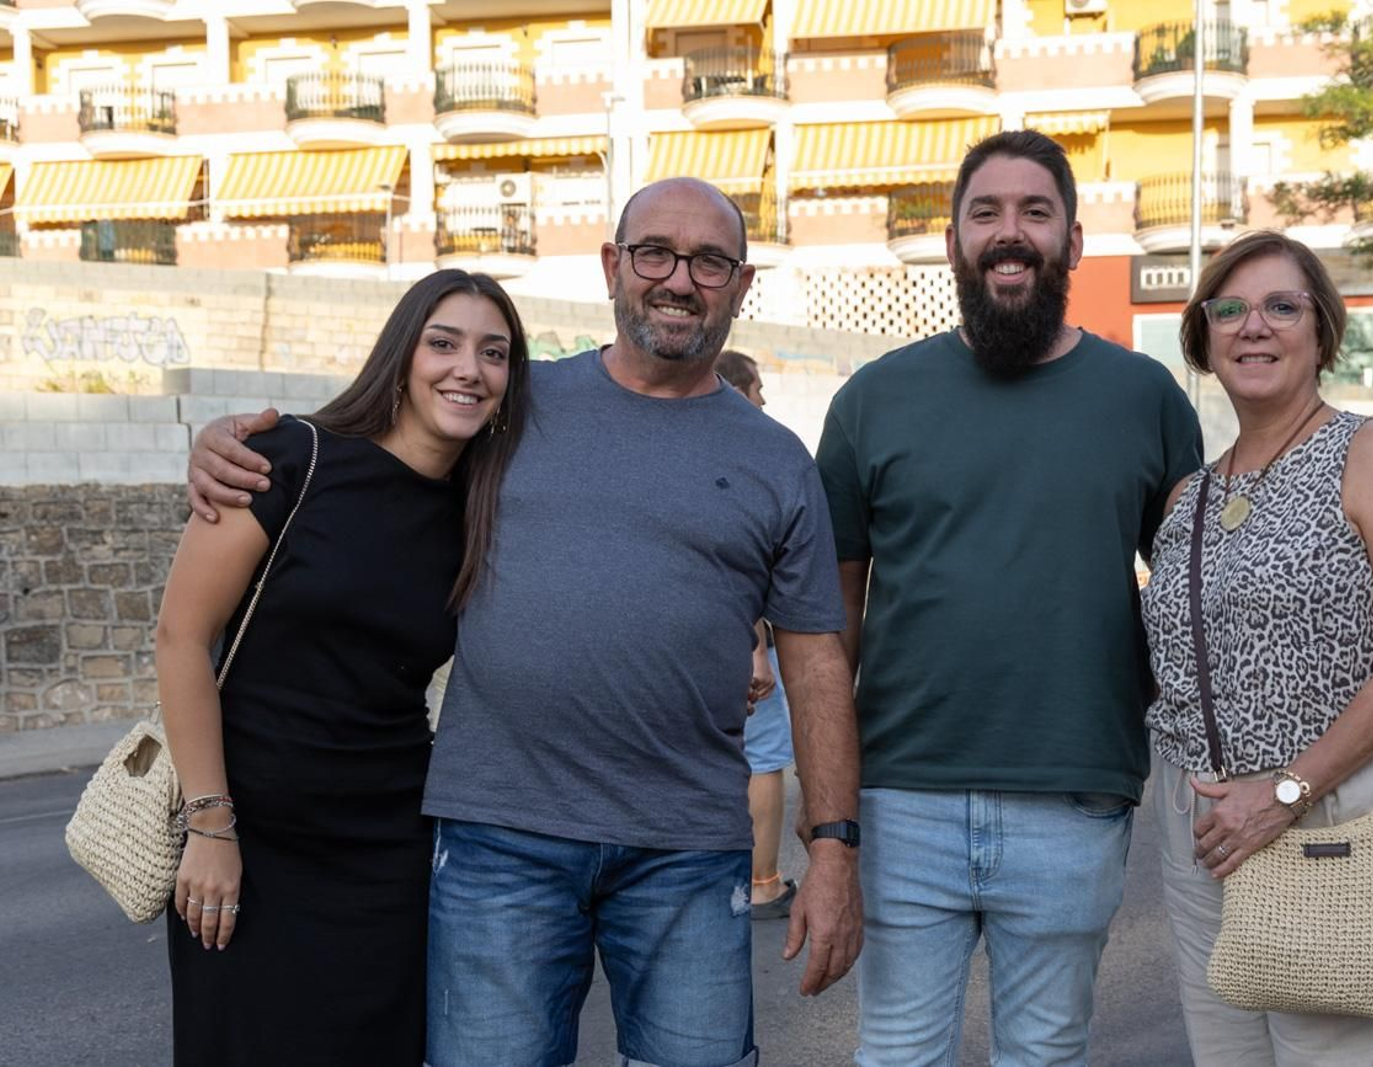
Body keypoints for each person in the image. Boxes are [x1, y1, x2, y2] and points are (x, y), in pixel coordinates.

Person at [186, 177, 863, 1067]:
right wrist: (233, 446)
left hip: (687, 847)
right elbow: (374, 457)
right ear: (612, 267)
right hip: (498, 840)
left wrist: (834, 848)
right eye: (655, 253)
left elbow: (816, 664)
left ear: (741, 284)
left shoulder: (778, 462)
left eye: (710, 262)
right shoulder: (509, 411)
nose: (679, 279)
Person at [815, 130, 1202, 1062]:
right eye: (985, 212)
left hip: (1074, 797)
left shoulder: (1145, 397)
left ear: (1073, 241)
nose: (1009, 232)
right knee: (899, 1050)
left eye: (1036, 211)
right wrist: (829, 818)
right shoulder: (872, 399)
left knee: (1045, 1051)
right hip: (903, 796)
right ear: (953, 239)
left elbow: (1196, 602)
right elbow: (830, 631)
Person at [157, 269, 526, 1065]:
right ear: (402, 355)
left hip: (389, 852)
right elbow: (181, 636)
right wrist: (211, 825)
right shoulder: (292, 457)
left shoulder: (484, 512)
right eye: (444, 343)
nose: (468, 368)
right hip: (249, 842)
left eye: (493, 353)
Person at [1141, 230, 1373, 1065]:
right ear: (1203, 338)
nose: (1254, 327)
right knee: (1226, 1052)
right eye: (1230, 309)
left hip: (1335, 808)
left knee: (1348, 1051)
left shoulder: (1372, 454)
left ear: (1322, 330)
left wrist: (1284, 791)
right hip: (1203, 827)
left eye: (1283, 306)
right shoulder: (1191, 496)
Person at [716, 348, 800, 918]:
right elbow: (738, 564)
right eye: (756, 387)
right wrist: (758, 650)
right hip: (746, 643)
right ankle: (762, 881)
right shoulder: (740, 457)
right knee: (766, 758)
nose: (764, 398)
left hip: (707, 642)